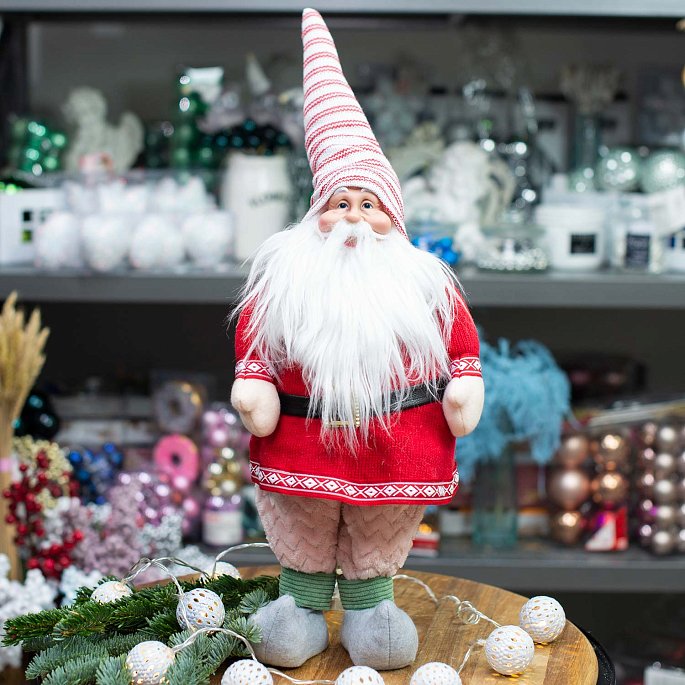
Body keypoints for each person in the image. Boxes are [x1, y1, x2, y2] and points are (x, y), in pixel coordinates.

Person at [231, 8, 484, 671]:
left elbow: (459, 342)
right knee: (305, 525)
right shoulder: (287, 279)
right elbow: (257, 340)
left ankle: (372, 610)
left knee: (377, 531)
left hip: (394, 445)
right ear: (317, 212)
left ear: (391, 216)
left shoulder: (422, 282)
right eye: (339, 204)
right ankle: (301, 607)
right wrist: (254, 382)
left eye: (367, 205)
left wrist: (464, 383)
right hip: (301, 441)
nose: (352, 217)